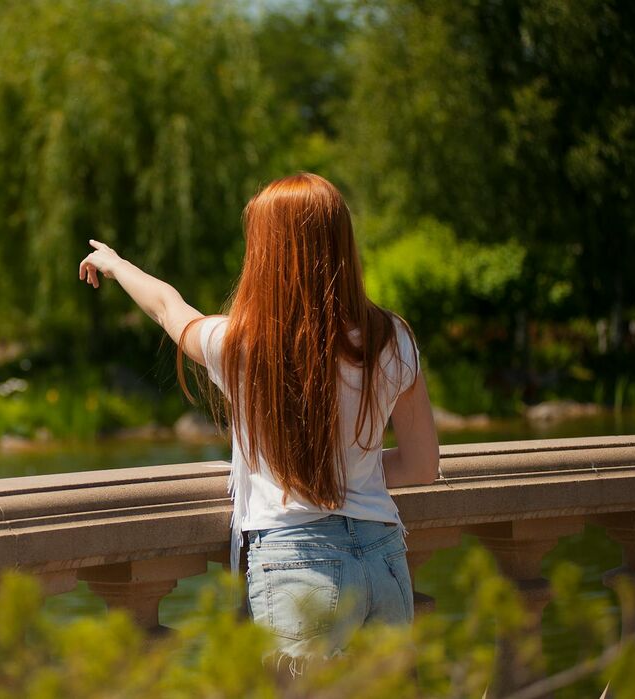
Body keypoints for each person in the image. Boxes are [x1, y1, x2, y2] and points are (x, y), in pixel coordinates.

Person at [78, 172, 439, 663]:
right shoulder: (392, 338)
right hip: (384, 560)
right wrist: (351, 472)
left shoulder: (242, 345)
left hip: (298, 566)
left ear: (266, 253)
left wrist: (117, 265)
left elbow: (168, 307)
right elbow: (421, 466)